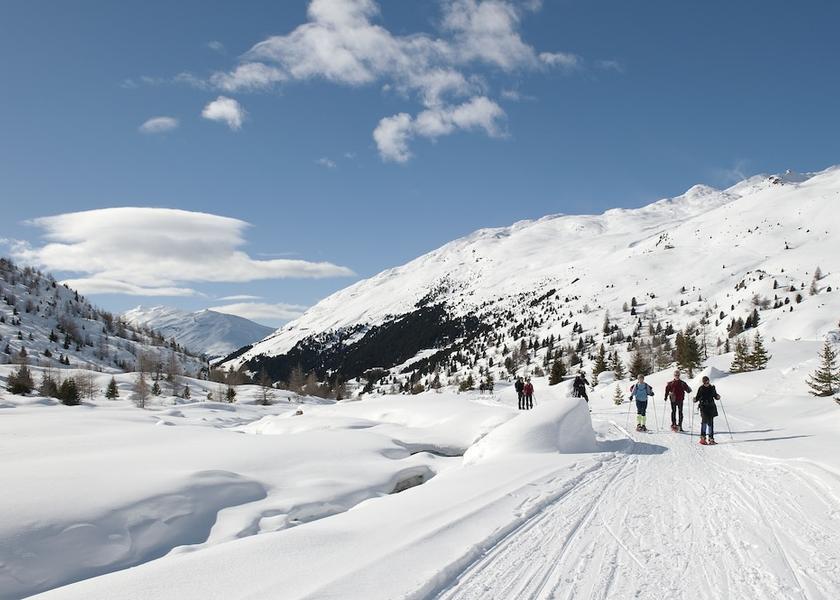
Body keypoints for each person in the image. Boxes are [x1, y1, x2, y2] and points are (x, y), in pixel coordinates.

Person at [694, 376, 720, 445]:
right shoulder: (701, 388)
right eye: (705, 382)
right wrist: (695, 399)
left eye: (707, 382)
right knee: (704, 422)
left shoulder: (712, 388)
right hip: (703, 407)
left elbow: (715, 395)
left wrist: (717, 396)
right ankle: (703, 438)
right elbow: (697, 397)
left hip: (711, 407)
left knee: (710, 423)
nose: (706, 383)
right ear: (703, 382)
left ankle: (711, 439)